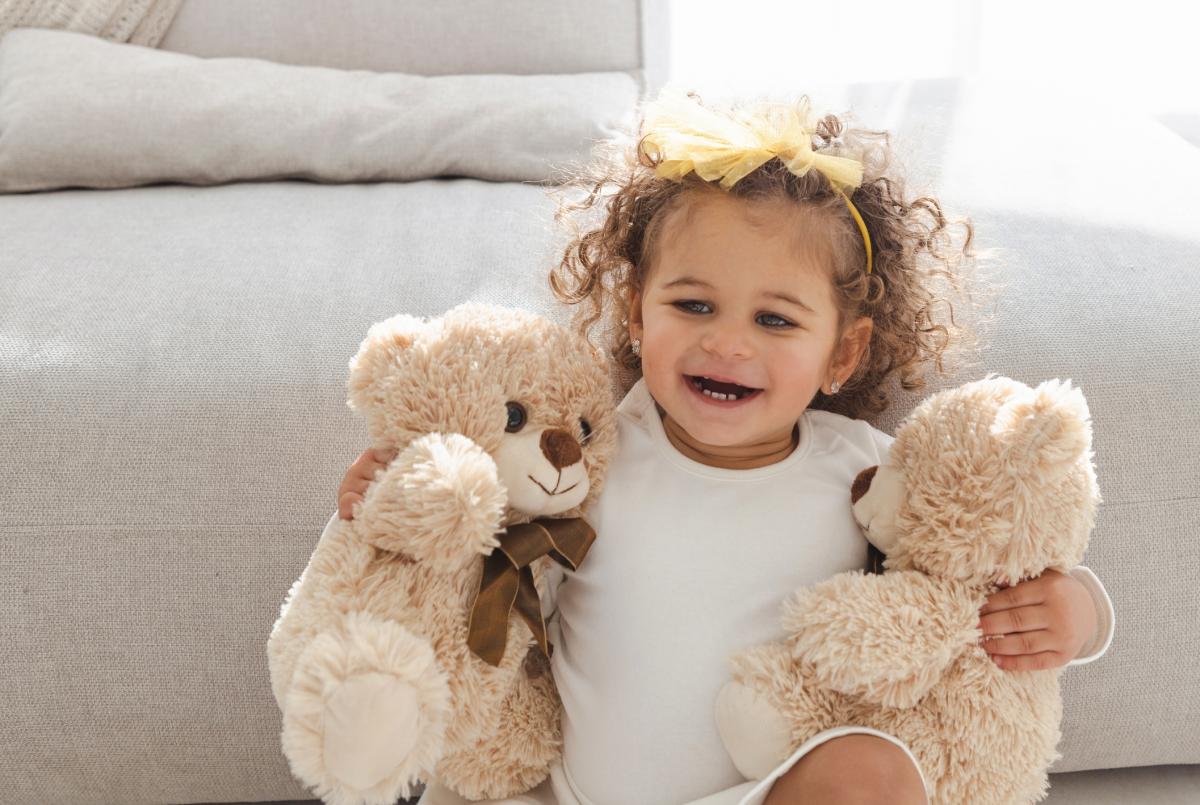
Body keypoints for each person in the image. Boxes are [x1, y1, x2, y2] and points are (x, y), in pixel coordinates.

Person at [331, 88, 1116, 805]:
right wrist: (401, 497)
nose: (728, 343)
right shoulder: (589, 454)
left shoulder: (869, 473)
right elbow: (478, 542)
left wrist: (1076, 611)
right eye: (694, 304)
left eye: (775, 320)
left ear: (843, 352)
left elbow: (980, 552)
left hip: (760, 792)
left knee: (871, 772)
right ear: (638, 314)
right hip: (571, 792)